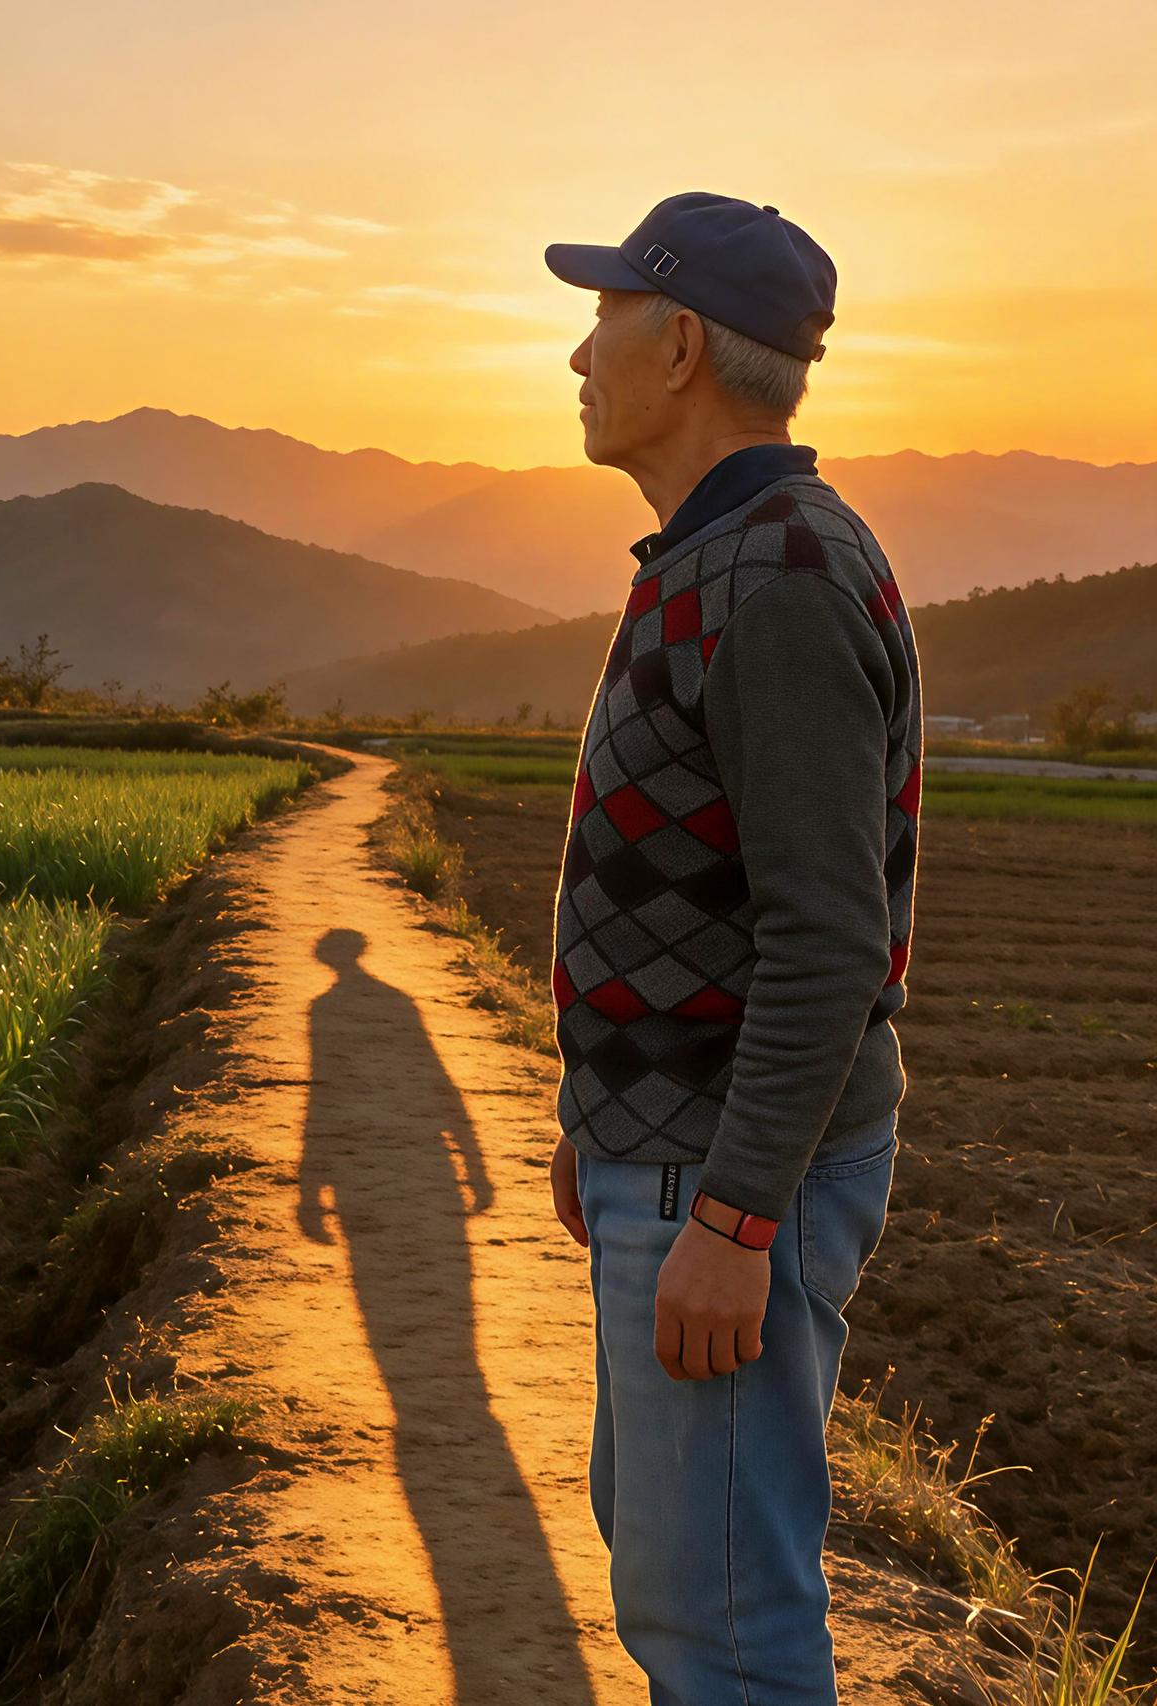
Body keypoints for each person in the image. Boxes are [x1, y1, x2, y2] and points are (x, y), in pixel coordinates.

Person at [543, 192, 923, 1704]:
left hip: (726, 1167)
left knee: (726, 1628)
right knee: (670, 1567)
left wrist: (737, 1217)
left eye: (608, 318)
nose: (582, 352)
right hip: (673, 1149)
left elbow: (830, 944)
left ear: (683, 341)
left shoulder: (774, 577)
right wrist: (600, 1117)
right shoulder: (717, 553)